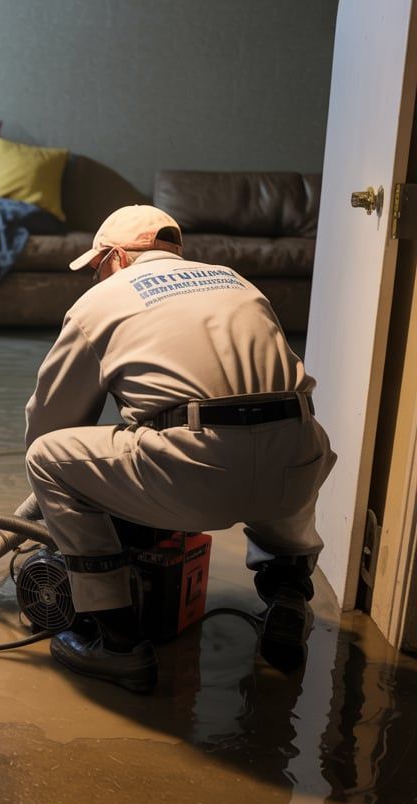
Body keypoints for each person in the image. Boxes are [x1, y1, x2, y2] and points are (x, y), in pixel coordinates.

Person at [24, 205, 336, 693]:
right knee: (272, 432)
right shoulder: (236, 281)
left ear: (118, 257)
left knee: (46, 459)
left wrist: (55, 507)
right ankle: (289, 597)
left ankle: (119, 644)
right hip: (297, 464)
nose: (94, 279)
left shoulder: (101, 301)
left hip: (201, 474)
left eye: (96, 267)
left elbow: (49, 425)